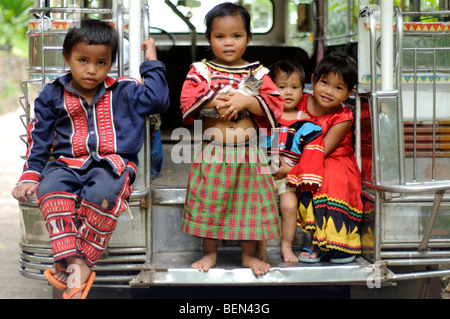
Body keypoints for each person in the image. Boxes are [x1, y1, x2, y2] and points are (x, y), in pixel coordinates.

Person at [11, 19, 169, 298]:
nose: (91, 70)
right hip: (65, 164)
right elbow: (40, 138)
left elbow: (157, 100)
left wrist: (151, 60)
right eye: (83, 60)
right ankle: (76, 262)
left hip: (112, 164)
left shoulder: (126, 90)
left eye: (101, 63)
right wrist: (30, 175)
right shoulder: (52, 93)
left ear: (111, 64)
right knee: (50, 189)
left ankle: (79, 265)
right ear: (66, 58)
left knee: (104, 194)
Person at [179, 2, 284, 276]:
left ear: (248, 37)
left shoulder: (258, 74)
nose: (228, 43)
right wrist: (218, 99)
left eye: (236, 36)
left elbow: (274, 105)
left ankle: (248, 255)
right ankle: (209, 252)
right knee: (210, 200)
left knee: (249, 204)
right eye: (220, 36)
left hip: (249, 152)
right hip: (214, 151)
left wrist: (247, 101)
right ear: (209, 39)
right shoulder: (200, 71)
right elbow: (189, 101)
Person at [296, 52, 362, 263]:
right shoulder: (300, 103)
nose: (328, 91)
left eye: (338, 88)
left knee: (327, 179)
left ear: (349, 93)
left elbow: (323, 150)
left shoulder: (343, 116)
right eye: (324, 82)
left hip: (334, 158)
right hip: (301, 156)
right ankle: (319, 239)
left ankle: (332, 242)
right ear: (313, 80)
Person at [268, 60, 325, 262]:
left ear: (303, 89)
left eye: (295, 87)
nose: (288, 92)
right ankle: (257, 249)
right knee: (257, 203)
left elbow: (311, 154)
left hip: (288, 178)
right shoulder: (267, 116)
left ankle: (286, 246)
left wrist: (286, 172)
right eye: (281, 87)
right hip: (263, 173)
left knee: (290, 206)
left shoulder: (306, 121)